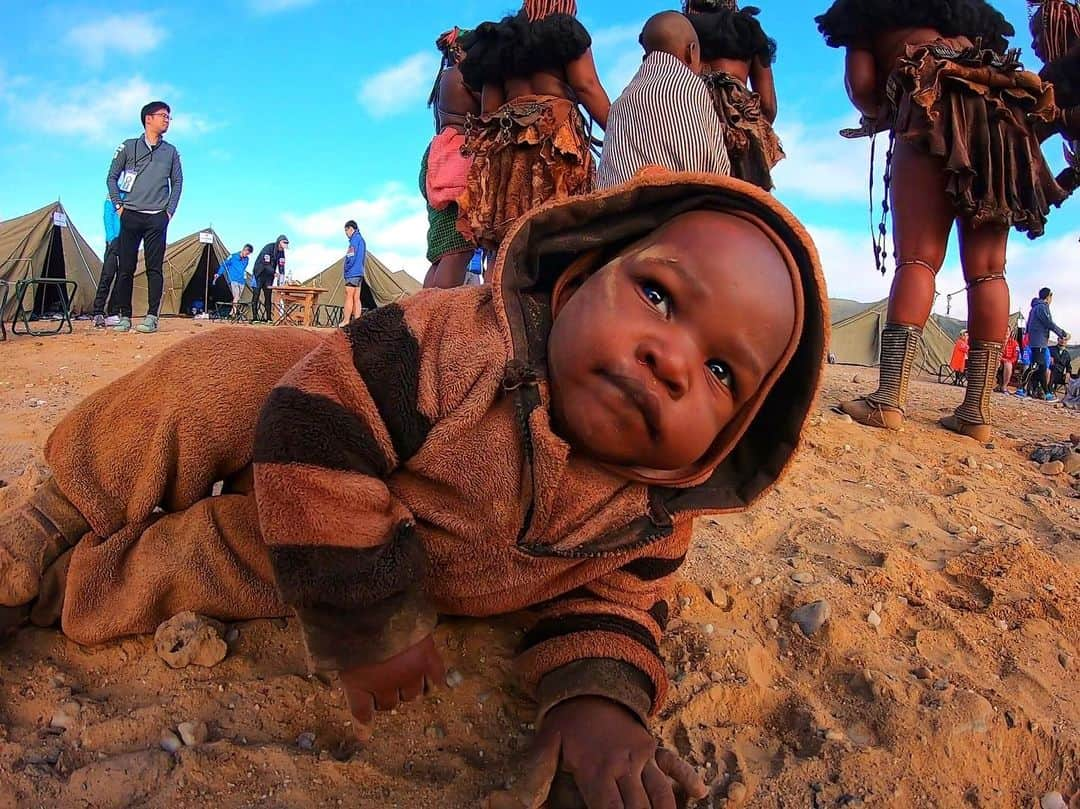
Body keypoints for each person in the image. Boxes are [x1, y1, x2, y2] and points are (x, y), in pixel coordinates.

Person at [0, 173, 827, 809]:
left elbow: (613, 607)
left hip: (329, 535)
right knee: (204, 381)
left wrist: (599, 702)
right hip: (307, 413)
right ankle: (48, 521)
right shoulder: (457, 344)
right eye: (656, 294)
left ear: (734, 437)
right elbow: (314, 424)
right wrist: (370, 617)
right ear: (575, 281)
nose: (672, 358)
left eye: (721, 371)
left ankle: (61, 590)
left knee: (216, 562)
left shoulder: (650, 517)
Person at [819, 0, 1069, 443]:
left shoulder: (868, 10)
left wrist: (886, 113)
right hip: (1001, 122)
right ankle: (975, 412)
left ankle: (889, 401)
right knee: (989, 270)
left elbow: (862, 89)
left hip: (930, 105)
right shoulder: (976, 16)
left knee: (918, 260)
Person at [458, 0, 611, 251]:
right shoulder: (565, 31)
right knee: (559, 230)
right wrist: (619, 129)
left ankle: (500, 288)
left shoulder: (499, 41)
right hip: (554, 142)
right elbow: (587, 86)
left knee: (507, 236)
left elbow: (488, 111)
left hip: (507, 144)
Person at [596, 12, 731, 189]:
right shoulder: (690, 86)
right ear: (691, 52)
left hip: (621, 211)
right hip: (680, 205)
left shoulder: (620, 102)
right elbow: (710, 164)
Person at [684, 0, 784, 190]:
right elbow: (768, 107)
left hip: (689, 118)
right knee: (749, 198)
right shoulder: (747, 29)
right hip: (738, 127)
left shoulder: (677, 28)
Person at [105, 101, 184, 334]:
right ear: (148, 119)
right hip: (130, 215)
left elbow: (178, 182)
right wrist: (119, 206)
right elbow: (111, 177)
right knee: (126, 267)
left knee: (154, 268)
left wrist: (169, 212)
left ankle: (151, 317)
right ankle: (124, 316)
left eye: (169, 116)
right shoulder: (128, 147)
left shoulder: (171, 151)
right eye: (163, 115)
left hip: (157, 218)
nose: (167, 119)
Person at [422, 28, 482, 289]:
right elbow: (490, 108)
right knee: (457, 250)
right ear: (459, 51)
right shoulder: (464, 75)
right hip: (457, 160)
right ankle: (439, 318)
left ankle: (421, 319)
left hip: (438, 157)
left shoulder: (444, 80)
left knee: (440, 254)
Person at [1027, 287, 1070, 401]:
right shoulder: (1042, 307)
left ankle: (1040, 391)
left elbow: (1028, 325)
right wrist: (1062, 333)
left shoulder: (1035, 307)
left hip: (1036, 340)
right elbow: (1049, 323)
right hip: (1039, 340)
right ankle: (1025, 389)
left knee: (1039, 367)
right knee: (1037, 366)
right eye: (1051, 297)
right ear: (1048, 296)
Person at [91, 196, 123, 328]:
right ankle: (98, 312)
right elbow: (107, 216)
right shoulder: (113, 194)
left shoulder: (134, 195)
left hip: (128, 241)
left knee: (122, 277)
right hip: (113, 240)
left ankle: (113, 312)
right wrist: (111, 237)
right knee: (108, 275)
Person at [251, 235, 289, 323]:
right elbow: (265, 264)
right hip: (258, 274)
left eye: (287, 243)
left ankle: (268, 318)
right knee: (256, 295)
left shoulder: (282, 252)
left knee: (268, 296)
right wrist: (275, 273)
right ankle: (255, 318)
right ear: (279, 242)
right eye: (284, 242)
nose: (285, 245)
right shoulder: (268, 248)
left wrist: (282, 276)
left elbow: (281, 265)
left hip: (269, 276)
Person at [213, 245, 254, 314]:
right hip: (233, 279)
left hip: (242, 280)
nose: (247, 255)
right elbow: (224, 265)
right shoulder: (233, 256)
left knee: (237, 298)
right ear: (244, 249)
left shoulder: (247, 259)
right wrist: (219, 273)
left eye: (248, 254)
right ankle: (234, 314)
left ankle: (231, 313)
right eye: (247, 253)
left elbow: (243, 269)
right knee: (236, 296)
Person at [342, 220, 368, 323]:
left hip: (352, 272)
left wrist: (346, 268)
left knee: (349, 296)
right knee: (357, 298)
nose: (346, 234)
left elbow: (350, 257)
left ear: (351, 229)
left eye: (346, 231)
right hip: (359, 273)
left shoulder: (353, 241)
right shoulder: (362, 240)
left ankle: (346, 321)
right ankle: (357, 321)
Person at [997, 326, 1020, 393]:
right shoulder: (999, 341)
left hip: (1009, 362)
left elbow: (1015, 357)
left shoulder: (1014, 343)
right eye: (1005, 331)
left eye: (1008, 331)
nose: (1006, 332)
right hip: (999, 360)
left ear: (1010, 332)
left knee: (1008, 364)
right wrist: (1002, 360)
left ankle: (1004, 386)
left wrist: (1007, 361)